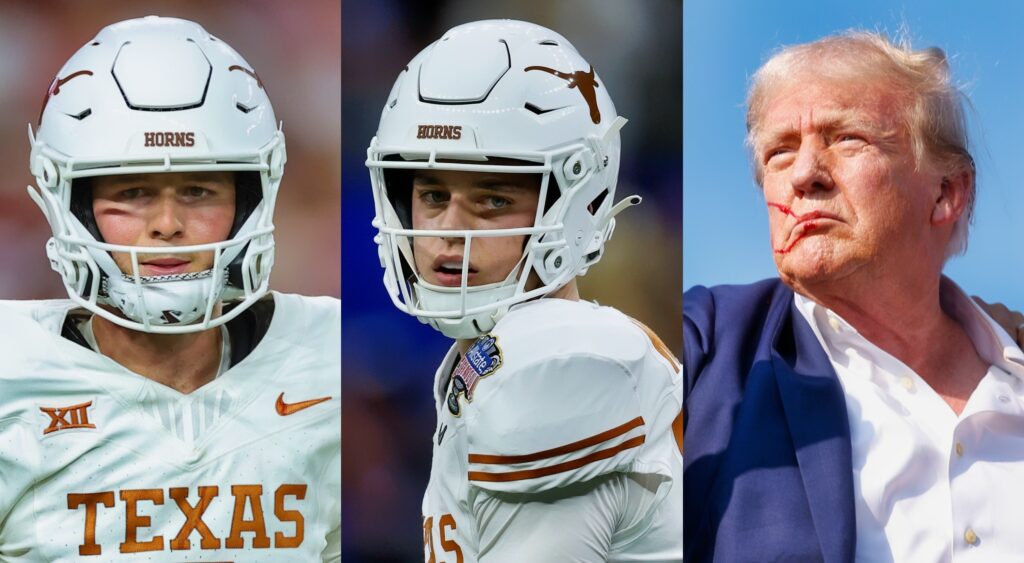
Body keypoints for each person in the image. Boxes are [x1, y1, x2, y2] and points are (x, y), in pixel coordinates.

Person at [0, 17, 340, 561]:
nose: (166, 223)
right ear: (73, 206)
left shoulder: (327, 360)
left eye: (199, 190)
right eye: (132, 191)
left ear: (248, 199)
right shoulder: (10, 375)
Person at [684, 31, 1024, 561]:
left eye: (847, 139)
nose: (803, 175)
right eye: (779, 152)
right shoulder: (704, 346)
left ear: (945, 192)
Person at [366, 19, 683, 562]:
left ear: (575, 203)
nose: (448, 232)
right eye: (433, 193)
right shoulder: (500, 352)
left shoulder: (557, 364)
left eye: (492, 202)